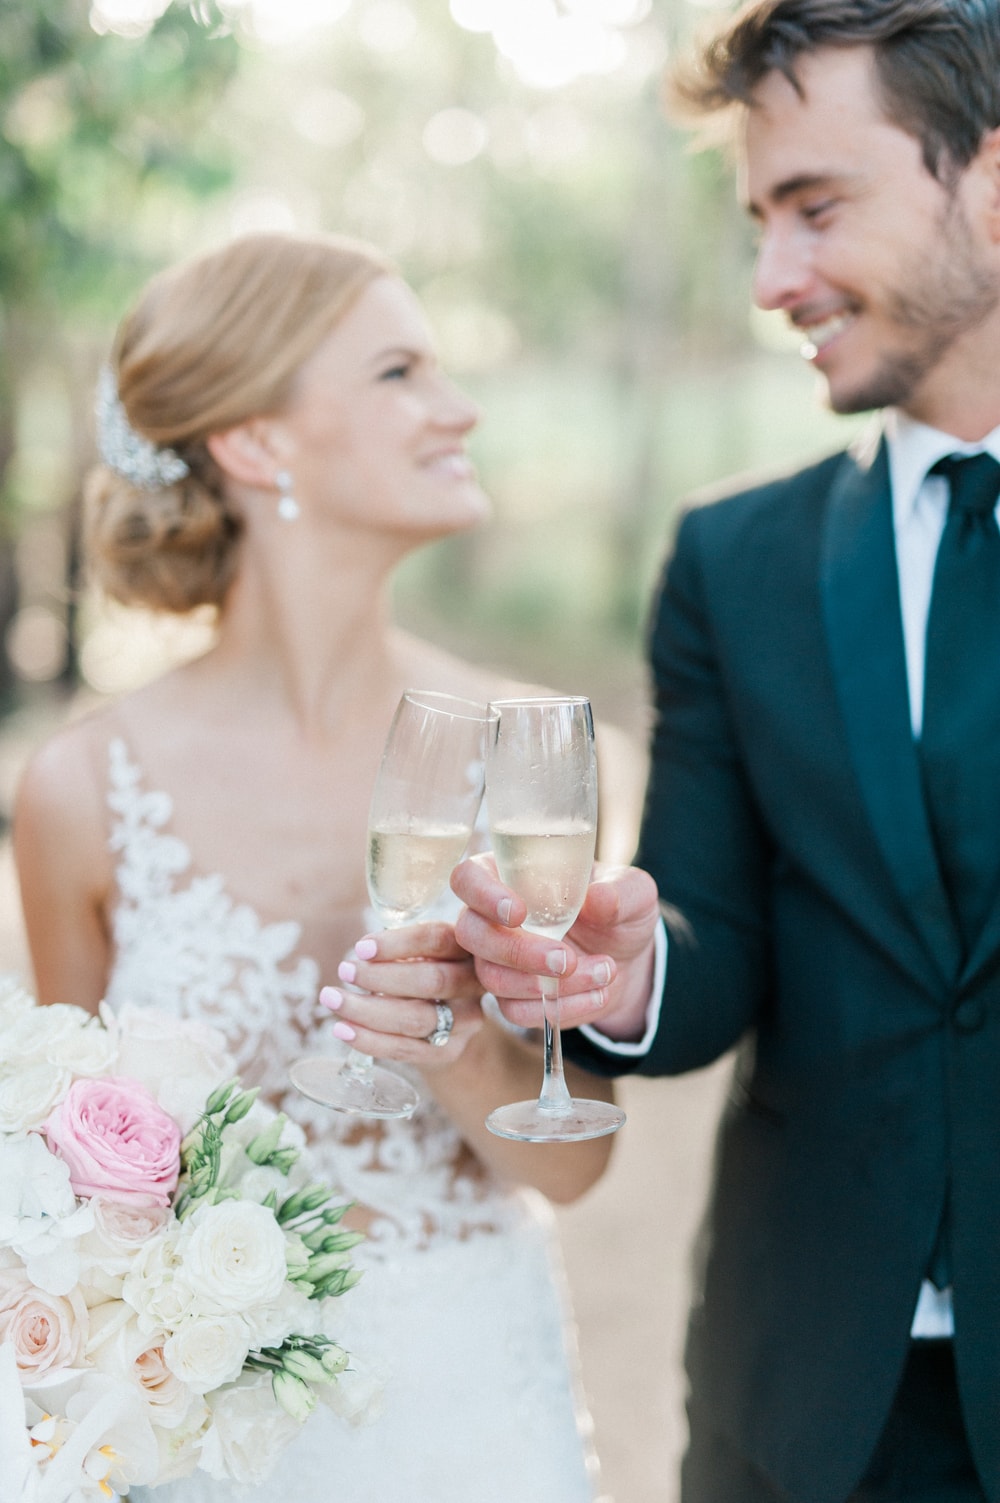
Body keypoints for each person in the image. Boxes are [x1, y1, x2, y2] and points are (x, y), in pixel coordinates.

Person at [448, 3, 1000, 1500]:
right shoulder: (732, 562)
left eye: (819, 208)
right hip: (817, 1402)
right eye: (761, 221)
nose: (775, 279)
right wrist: (627, 971)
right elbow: (713, 943)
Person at [11, 229, 623, 1503]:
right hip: (222, 1445)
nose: (458, 409)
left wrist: (456, 1044)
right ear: (257, 443)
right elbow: (61, 1191)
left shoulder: (529, 754)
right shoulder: (82, 789)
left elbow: (569, 1161)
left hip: (478, 1408)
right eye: (400, 372)